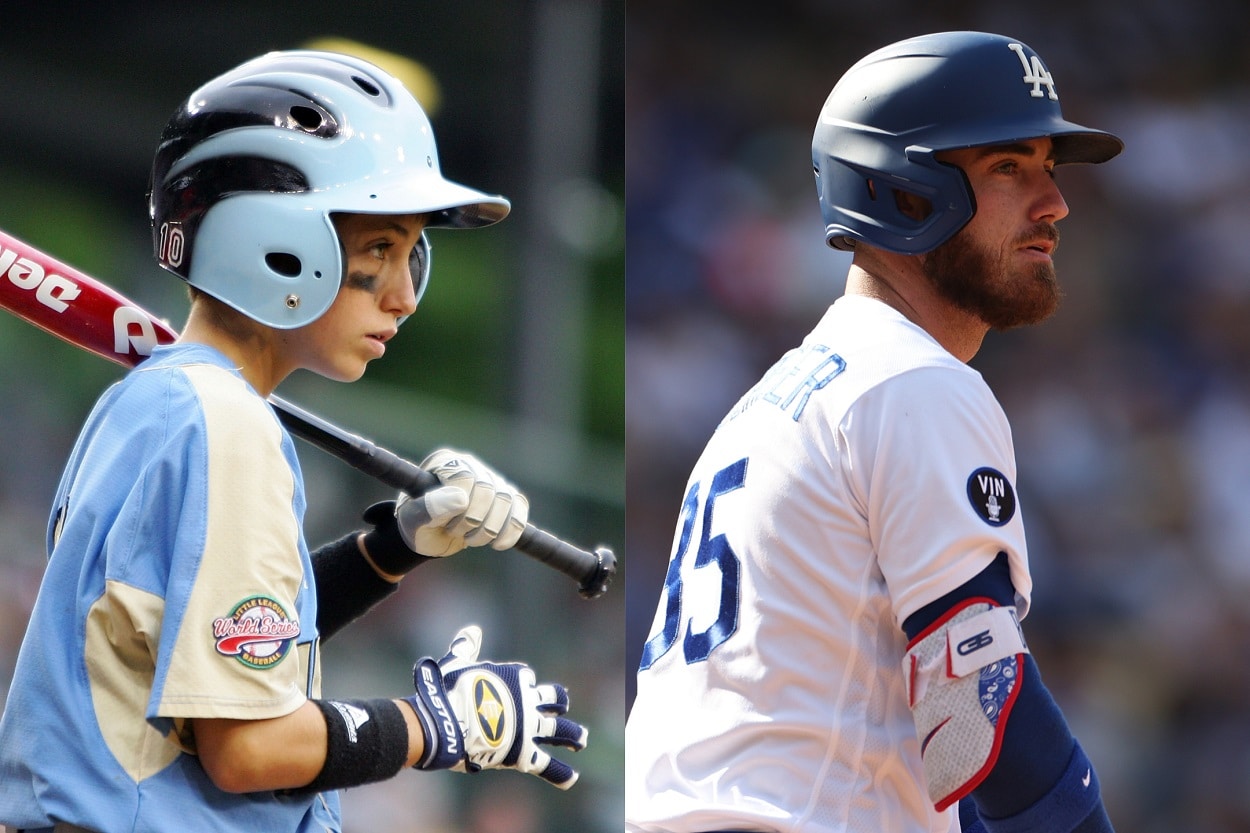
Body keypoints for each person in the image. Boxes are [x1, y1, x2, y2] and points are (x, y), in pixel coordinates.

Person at [0, 50, 587, 833]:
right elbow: (247, 745)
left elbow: (214, 647)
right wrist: (433, 727)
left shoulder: (154, 402)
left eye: (413, 253)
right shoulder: (226, 424)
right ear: (269, 239)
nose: (405, 295)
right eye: (378, 249)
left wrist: (396, 546)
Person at [625, 31, 1121, 833]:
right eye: (1009, 168)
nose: (1053, 202)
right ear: (906, 191)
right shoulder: (911, 379)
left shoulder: (775, 402)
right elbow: (976, 702)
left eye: (1049, 168)